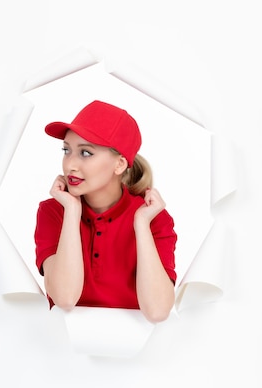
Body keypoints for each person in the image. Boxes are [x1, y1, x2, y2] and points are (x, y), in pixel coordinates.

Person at [34, 100, 177, 323]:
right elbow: (64, 298)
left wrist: (140, 224)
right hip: (64, 351)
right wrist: (72, 210)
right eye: (66, 150)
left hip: (137, 353)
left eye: (86, 153)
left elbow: (157, 311)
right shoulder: (54, 211)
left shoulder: (153, 218)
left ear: (119, 165)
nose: (70, 164)